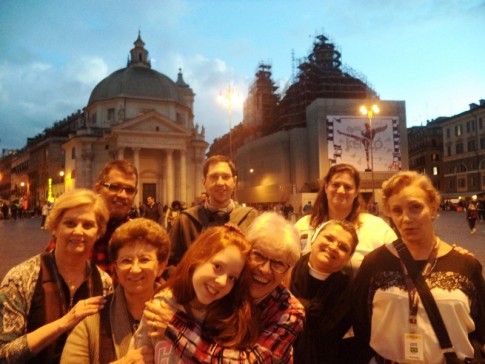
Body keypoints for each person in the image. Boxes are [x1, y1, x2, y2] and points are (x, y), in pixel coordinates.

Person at [352, 171, 485, 363]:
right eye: (397, 210)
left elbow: (481, 326)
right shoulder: (374, 262)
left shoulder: (465, 265)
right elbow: (362, 322)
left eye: (415, 207)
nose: (406, 218)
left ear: (433, 207)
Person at [144, 212, 305, 362]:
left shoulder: (290, 312)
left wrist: (176, 326)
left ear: (288, 270)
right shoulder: (223, 289)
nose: (264, 269)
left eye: (278, 263)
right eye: (258, 255)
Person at [0, 189, 113, 363]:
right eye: (70, 223)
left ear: (98, 233)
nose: (78, 231)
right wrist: (64, 322)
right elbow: (4, 354)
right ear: (54, 227)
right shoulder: (21, 278)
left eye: (88, 225)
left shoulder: (103, 282)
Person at [135, 224, 257, 362]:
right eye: (217, 266)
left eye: (232, 277)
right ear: (197, 258)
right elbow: (138, 354)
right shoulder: (161, 305)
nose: (222, 282)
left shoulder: (230, 318)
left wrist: (177, 326)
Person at [60, 218, 170, 363]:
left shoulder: (179, 314)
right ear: (115, 268)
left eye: (144, 260)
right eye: (126, 261)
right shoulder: (90, 321)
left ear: (161, 266)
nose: (135, 269)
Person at [295, 163, 397, 276]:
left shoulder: (379, 229)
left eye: (348, 187)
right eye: (335, 185)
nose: (341, 191)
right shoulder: (302, 226)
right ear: (326, 187)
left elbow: (398, 269)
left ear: (356, 192)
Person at [46, 160, 139, 278]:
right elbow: (49, 275)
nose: (122, 195)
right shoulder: (76, 233)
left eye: (129, 190)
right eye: (114, 187)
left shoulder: (138, 235)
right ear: (98, 188)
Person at [168, 155, 258, 266]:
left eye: (225, 177)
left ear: (234, 181)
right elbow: (169, 263)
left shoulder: (251, 218)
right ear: (204, 182)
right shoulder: (185, 221)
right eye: (214, 177)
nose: (220, 183)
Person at [290, 220, 359, 364]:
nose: (333, 247)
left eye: (343, 247)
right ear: (314, 239)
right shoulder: (285, 272)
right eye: (329, 238)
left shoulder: (351, 294)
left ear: (348, 258)